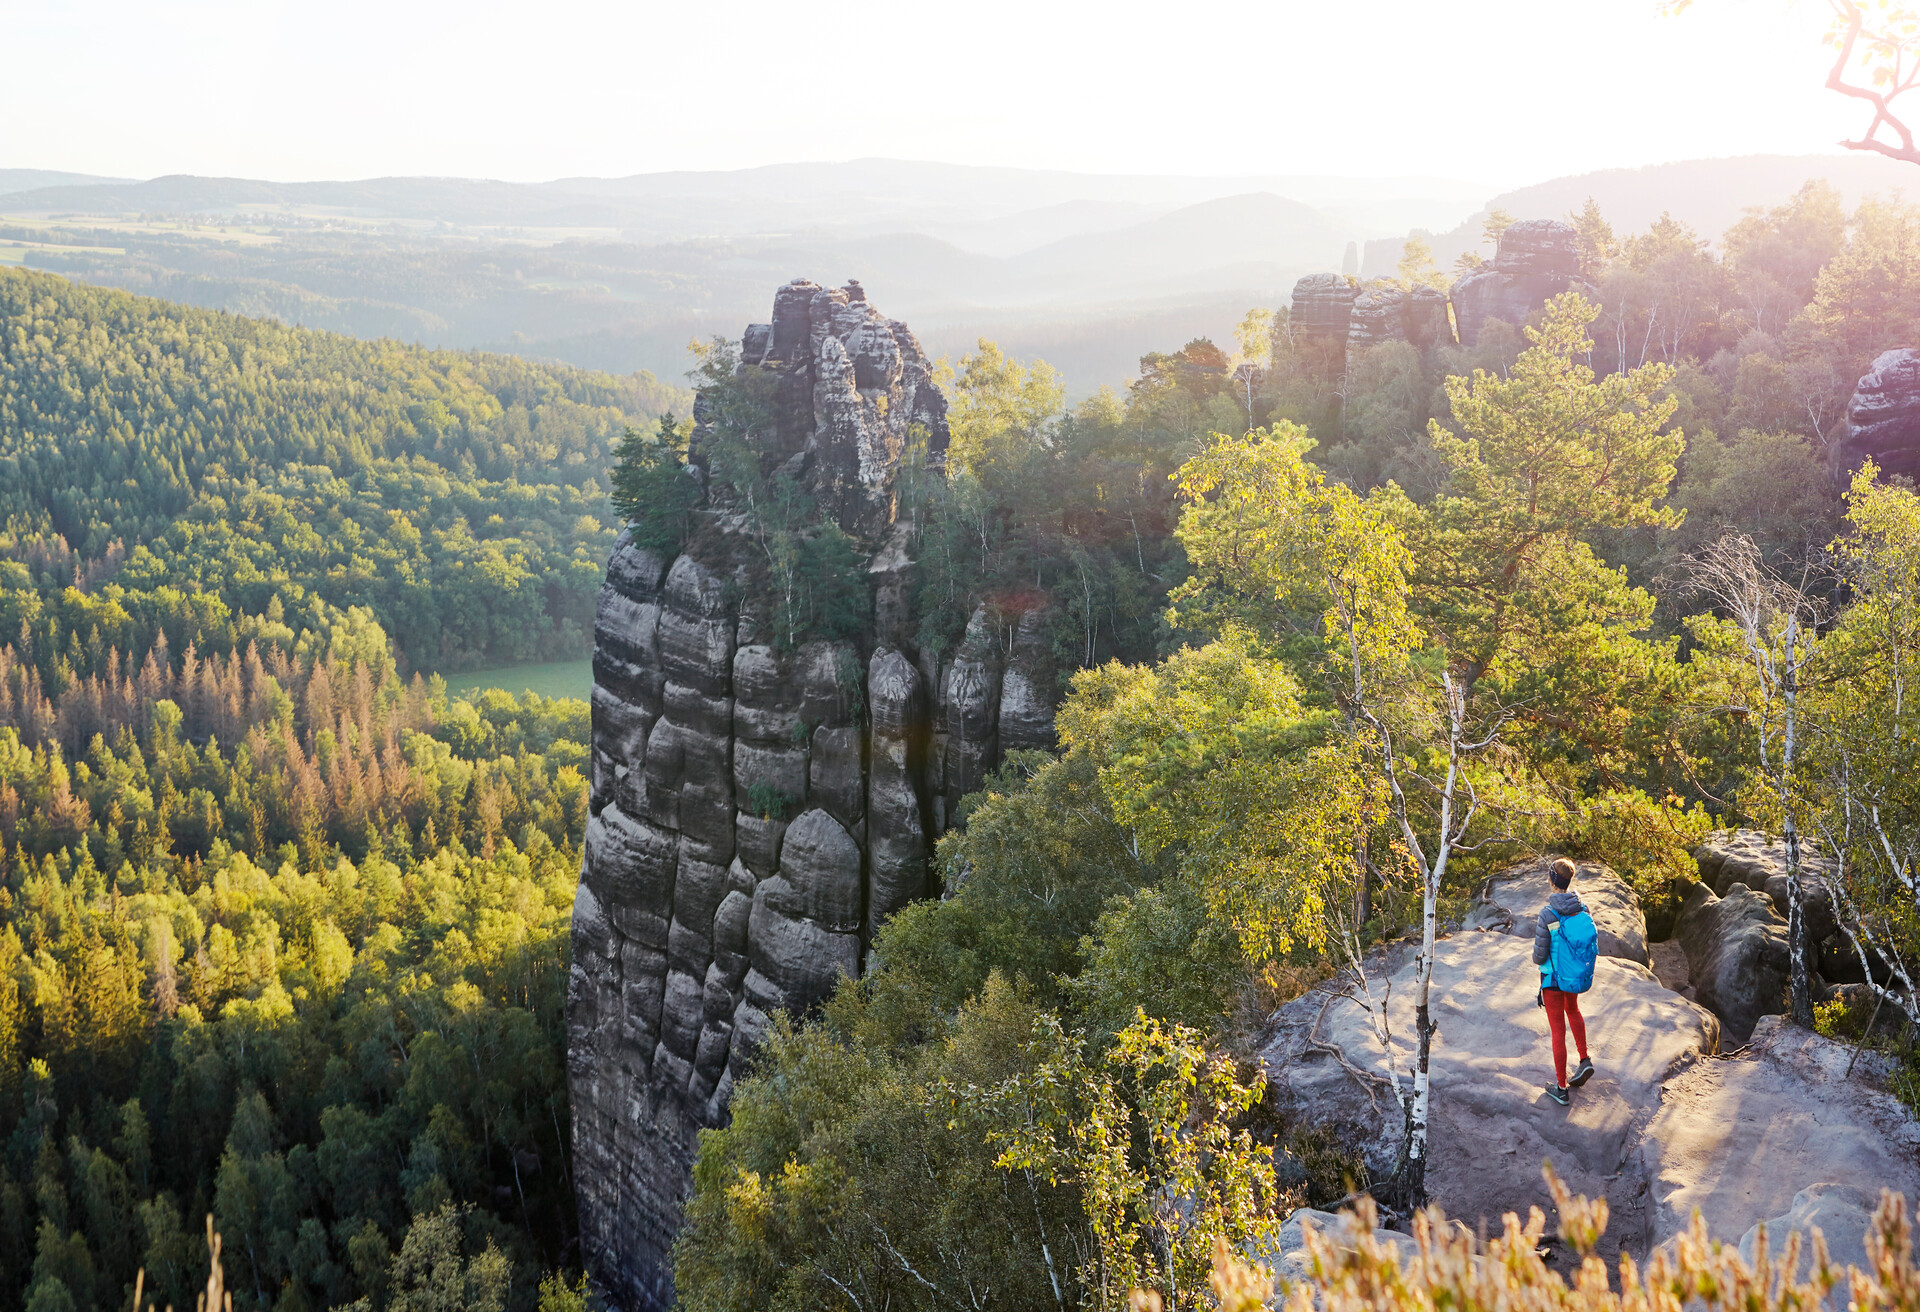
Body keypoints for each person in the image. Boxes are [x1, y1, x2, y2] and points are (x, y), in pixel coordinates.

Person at [1533, 857, 1597, 1106]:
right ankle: (1584, 1059)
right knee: (1574, 1010)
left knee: (1558, 1030)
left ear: (1552, 880)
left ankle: (1561, 1088)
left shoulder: (1548, 914)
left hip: (1553, 979)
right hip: (1573, 976)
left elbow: (1539, 956)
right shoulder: (1582, 908)